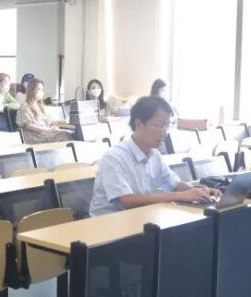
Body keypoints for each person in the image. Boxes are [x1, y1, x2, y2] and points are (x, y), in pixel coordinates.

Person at [89, 96, 218, 216]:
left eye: (167, 126)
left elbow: (174, 184)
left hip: (143, 217)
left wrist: (199, 192)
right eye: (159, 125)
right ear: (139, 124)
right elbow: (127, 201)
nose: (164, 132)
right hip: (109, 224)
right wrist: (180, 196)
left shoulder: (155, 155)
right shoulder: (114, 157)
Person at [16, 78, 75, 144]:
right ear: (31, 90)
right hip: (35, 137)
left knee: (72, 133)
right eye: (38, 89)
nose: (40, 92)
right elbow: (29, 126)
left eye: (42, 90)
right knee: (64, 135)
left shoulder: (40, 106)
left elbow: (49, 120)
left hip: (44, 133)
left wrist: (62, 121)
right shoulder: (25, 106)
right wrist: (48, 130)